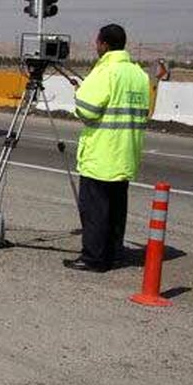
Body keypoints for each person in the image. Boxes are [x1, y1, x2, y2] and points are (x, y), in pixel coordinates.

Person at [64, 24, 151, 272]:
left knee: (95, 211)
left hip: (102, 153)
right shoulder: (139, 75)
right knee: (116, 209)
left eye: (97, 42)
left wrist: (80, 93)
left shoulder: (105, 72)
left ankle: (93, 258)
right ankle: (114, 254)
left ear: (103, 44)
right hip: (126, 153)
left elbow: (88, 110)